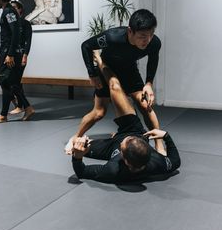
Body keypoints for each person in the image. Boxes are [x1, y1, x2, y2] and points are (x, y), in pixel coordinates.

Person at [71, 51, 181, 184]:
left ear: (124, 159)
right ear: (147, 152)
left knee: (77, 146)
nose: (126, 139)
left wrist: (77, 157)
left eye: (125, 142)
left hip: (110, 147)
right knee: (115, 87)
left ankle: (100, 61)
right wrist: (166, 136)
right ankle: (103, 62)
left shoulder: (113, 170)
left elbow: (81, 172)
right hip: (133, 129)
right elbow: (176, 161)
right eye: (133, 140)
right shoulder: (157, 164)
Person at [66, 9, 165, 155]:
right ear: (130, 31)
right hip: (107, 69)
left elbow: (153, 60)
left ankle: (159, 145)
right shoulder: (112, 37)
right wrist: (93, 74)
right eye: (143, 36)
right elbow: (86, 46)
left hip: (130, 70)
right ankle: (76, 137)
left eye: (151, 34)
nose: (147, 40)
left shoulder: (154, 43)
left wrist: (149, 83)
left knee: (145, 105)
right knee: (99, 112)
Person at [9, 0, 35, 121]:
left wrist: (25, 55)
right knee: (15, 83)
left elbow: (28, 42)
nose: (13, 10)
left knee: (14, 83)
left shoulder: (25, 24)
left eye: (15, 7)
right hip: (11, 56)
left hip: (20, 56)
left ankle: (26, 107)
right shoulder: (12, 23)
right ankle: (20, 106)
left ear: (20, 10)